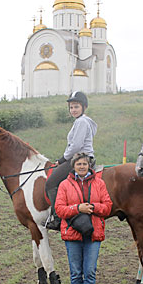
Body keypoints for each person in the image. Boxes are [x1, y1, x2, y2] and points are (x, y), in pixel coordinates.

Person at [55, 152, 112, 284]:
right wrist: (77, 209)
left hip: (93, 233)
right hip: (73, 233)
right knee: (75, 272)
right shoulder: (64, 185)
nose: (81, 167)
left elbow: (108, 206)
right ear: (73, 166)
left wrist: (93, 207)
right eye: (79, 164)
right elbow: (59, 209)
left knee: (90, 272)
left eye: (84, 164)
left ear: (89, 166)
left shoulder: (99, 184)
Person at [45, 91, 97, 230]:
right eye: (71, 107)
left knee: (50, 183)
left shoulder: (81, 122)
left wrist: (62, 160)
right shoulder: (83, 121)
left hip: (79, 158)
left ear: (84, 107)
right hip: (83, 157)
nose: (73, 110)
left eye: (76, 107)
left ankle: (57, 219)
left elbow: (76, 146)